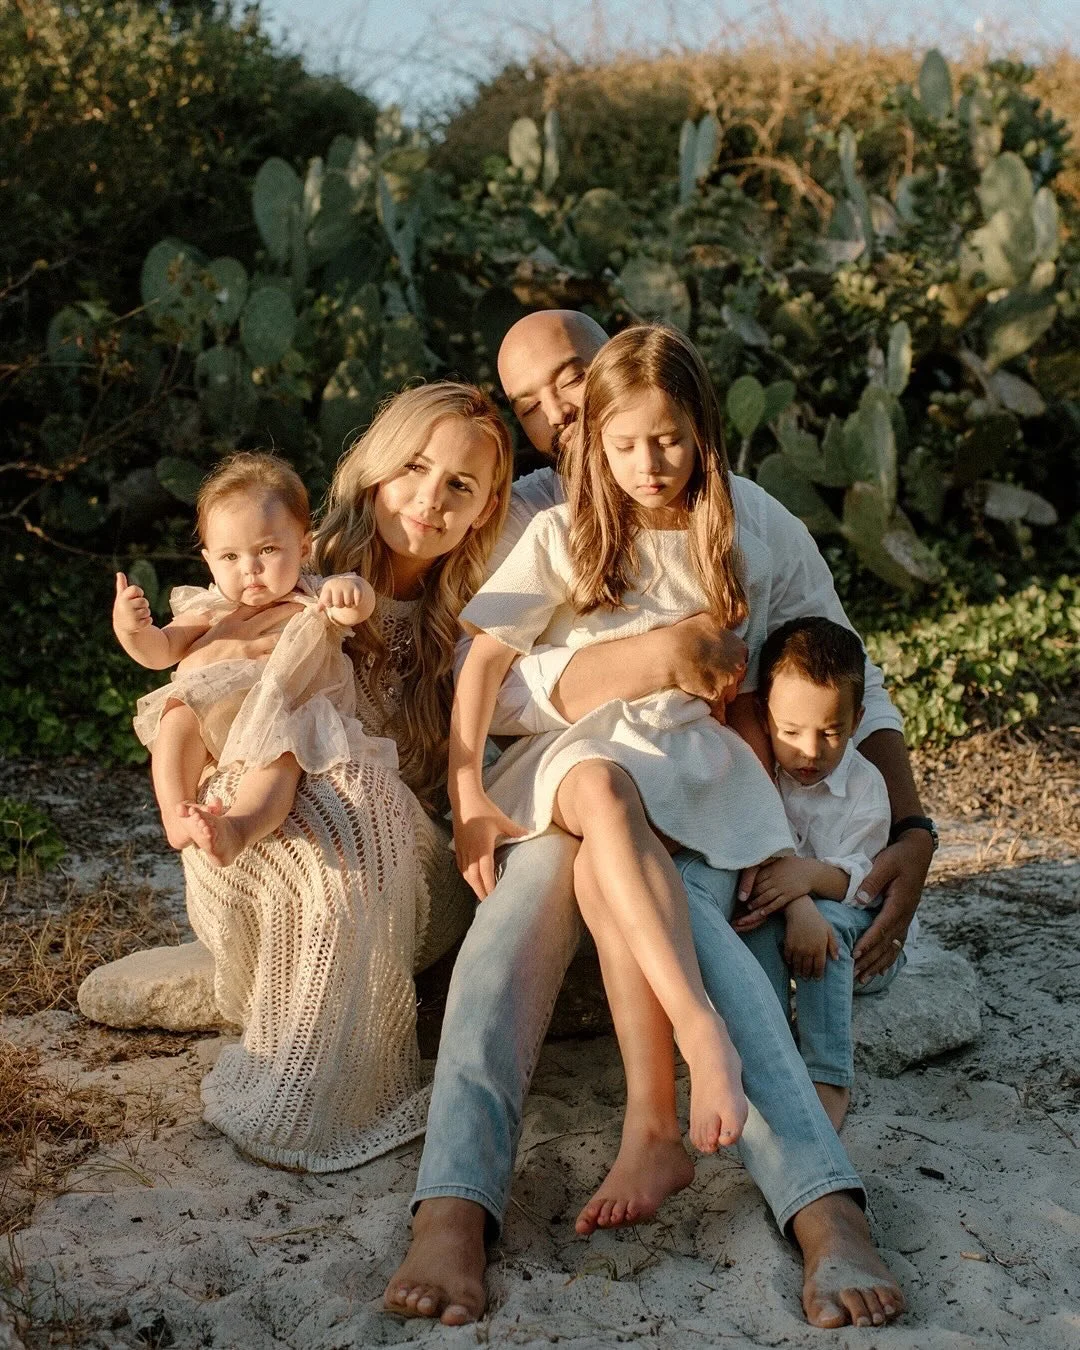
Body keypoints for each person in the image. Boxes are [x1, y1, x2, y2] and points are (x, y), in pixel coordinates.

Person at [387, 311, 934, 1330]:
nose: (561, 416)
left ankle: (824, 1210)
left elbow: (837, 661)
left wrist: (908, 821)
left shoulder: (752, 524)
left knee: (712, 938)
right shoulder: (541, 520)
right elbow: (484, 675)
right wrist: (483, 785)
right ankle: (456, 1204)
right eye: (532, 404)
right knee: (510, 928)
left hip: (696, 785)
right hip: (569, 776)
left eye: (570, 383)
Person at [451, 325, 800, 1163]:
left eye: (669, 441)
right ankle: (699, 1030)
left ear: (701, 433)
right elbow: (480, 666)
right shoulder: (559, 533)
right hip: (578, 755)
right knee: (600, 789)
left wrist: (772, 822)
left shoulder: (729, 538)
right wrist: (468, 796)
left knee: (616, 885)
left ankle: (651, 1128)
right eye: (627, 446)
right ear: (599, 445)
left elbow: (746, 694)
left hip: (680, 760)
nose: (649, 464)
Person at [176, 383, 514, 1170]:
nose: (430, 500)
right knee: (318, 784)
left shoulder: (478, 611)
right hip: (257, 848)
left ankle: (314, 1090)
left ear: (484, 506)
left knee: (370, 797)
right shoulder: (292, 570)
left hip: (399, 874)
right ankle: (295, 1073)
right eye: (414, 467)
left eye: (460, 485)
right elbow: (184, 702)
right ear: (374, 467)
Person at [112, 452, 378, 870]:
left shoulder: (313, 595)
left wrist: (351, 590)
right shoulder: (210, 607)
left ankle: (238, 828)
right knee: (177, 712)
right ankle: (175, 812)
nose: (250, 569)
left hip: (283, 715)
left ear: (304, 546)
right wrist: (132, 631)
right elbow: (161, 650)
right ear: (209, 562)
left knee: (280, 759)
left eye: (267, 549)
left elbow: (353, 610)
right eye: (230, 557)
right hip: (216, 718)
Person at [733, 617, 915, 1132]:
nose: (811, 752)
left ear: (856, 721)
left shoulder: (865, 786)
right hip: (798, 916)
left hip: (864, 943)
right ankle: (769, 1060)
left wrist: (807, 885)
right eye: (791, 732)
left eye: (831, 732)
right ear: (765, 718)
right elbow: (763, 867)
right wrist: (798, 903)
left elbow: (864, 882)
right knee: (754, 923)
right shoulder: (761, 773)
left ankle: (828, 1074)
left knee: (829, 930)